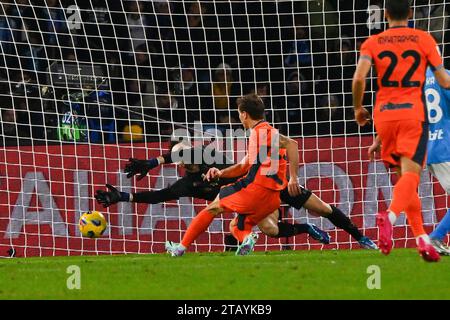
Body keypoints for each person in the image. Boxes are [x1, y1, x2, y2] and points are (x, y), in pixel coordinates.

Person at [96, 141, 377, 250]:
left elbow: (243, 167)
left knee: (325, 207)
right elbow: (157, 197)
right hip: (245, 201)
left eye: (183, 156)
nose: (181, 161)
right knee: (269, 228)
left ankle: (361, 237)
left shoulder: (210, 158)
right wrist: (124, 196)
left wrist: (154, 161)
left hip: (261, 189)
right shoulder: (186, 184)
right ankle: (305, 227)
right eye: (178, 159)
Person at [352, 0, 450, 262]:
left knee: (406, 184)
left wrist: (358, 109)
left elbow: (359, 78)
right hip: (412, 116)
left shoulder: (372, 42)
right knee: (411, 177)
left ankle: (421, 240)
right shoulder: (423, 39)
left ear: (384, 15)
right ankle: (391, 217)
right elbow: (444, 81)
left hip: (383, 116)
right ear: (410, 13)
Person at [424, 67, 450, 255]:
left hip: (430, 148)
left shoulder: (414, 83)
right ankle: (436, 237)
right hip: (447, 146)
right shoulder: (445, 75)